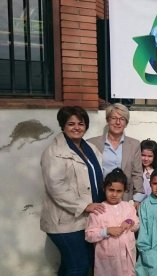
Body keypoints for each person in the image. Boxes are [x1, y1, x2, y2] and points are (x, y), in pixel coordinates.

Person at [40, 106, 106, 275]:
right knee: (79, 265)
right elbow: (56, 187)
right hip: (65, 221)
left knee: (73, 265)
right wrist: (85, 205)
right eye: (71, 124)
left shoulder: (90, 148)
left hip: (86, 220)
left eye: (81, 123)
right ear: (63, 126)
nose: (77, 127)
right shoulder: (54, 152)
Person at [85, 168, 139, 276]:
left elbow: (136, 224)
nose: (114, 194)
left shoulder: (128, 207)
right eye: (111, 190)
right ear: (104, 189)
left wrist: (130, 221)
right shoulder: (98, 210)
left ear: (124, 191)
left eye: (119, 191)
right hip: (108, 262)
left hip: (128, 257)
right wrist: (106, 231)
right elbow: (89, 235)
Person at [88, 103, 145, 203]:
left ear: (126, 123)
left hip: (125, 199)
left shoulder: (134, 145)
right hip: (99, 197)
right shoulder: (92, 143)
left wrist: (137, 199)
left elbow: (137, 174)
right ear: (108, 120)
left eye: (122, 119)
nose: (117, 122)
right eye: (114, 118)